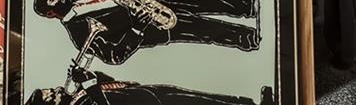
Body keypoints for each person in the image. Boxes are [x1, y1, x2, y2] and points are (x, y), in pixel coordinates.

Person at [31, 0, 259, 65]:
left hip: (151, 0)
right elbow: (114, 57)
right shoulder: (79, 34)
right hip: (151, 25)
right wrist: (137, 29)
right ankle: (248, 38)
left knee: (200, 1)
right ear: (51, 14)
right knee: (202, 29)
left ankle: (246, 7)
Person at [27, 76, 275, 105]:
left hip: (148, 92)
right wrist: (91, 88)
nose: (54, 91)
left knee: (205, 97)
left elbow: (111, 85)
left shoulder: (78, 95)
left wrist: (94, 78)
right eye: (49, 96)